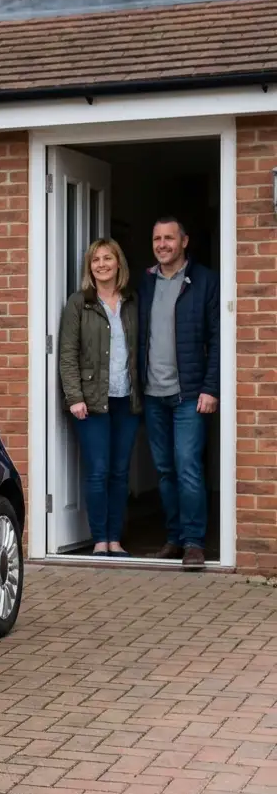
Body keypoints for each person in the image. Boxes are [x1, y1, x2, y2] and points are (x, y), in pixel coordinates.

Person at [138, 217, 219, 570]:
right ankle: (173, 537)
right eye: (157, 238)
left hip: (189, 394)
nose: (162, 244)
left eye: (169, 238)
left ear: (184, 241)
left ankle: (194, 542)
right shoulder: (145, 281)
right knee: (165, 470)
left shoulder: (204, 281)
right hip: (153, 393)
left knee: (188, 467)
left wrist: (210, 388)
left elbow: (218, 337)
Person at [58, 239, 141, 558]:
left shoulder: (132, 301)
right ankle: (100, 540)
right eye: (96, 260)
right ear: (89, 267)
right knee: (98, 470)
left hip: (126, 399)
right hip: (92, 401)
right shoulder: (79, 303)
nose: (102, 264)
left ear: (119, 263)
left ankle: (115, 539)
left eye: (108, 258)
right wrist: (74, 396)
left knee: (120, 472)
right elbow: (67, 353)